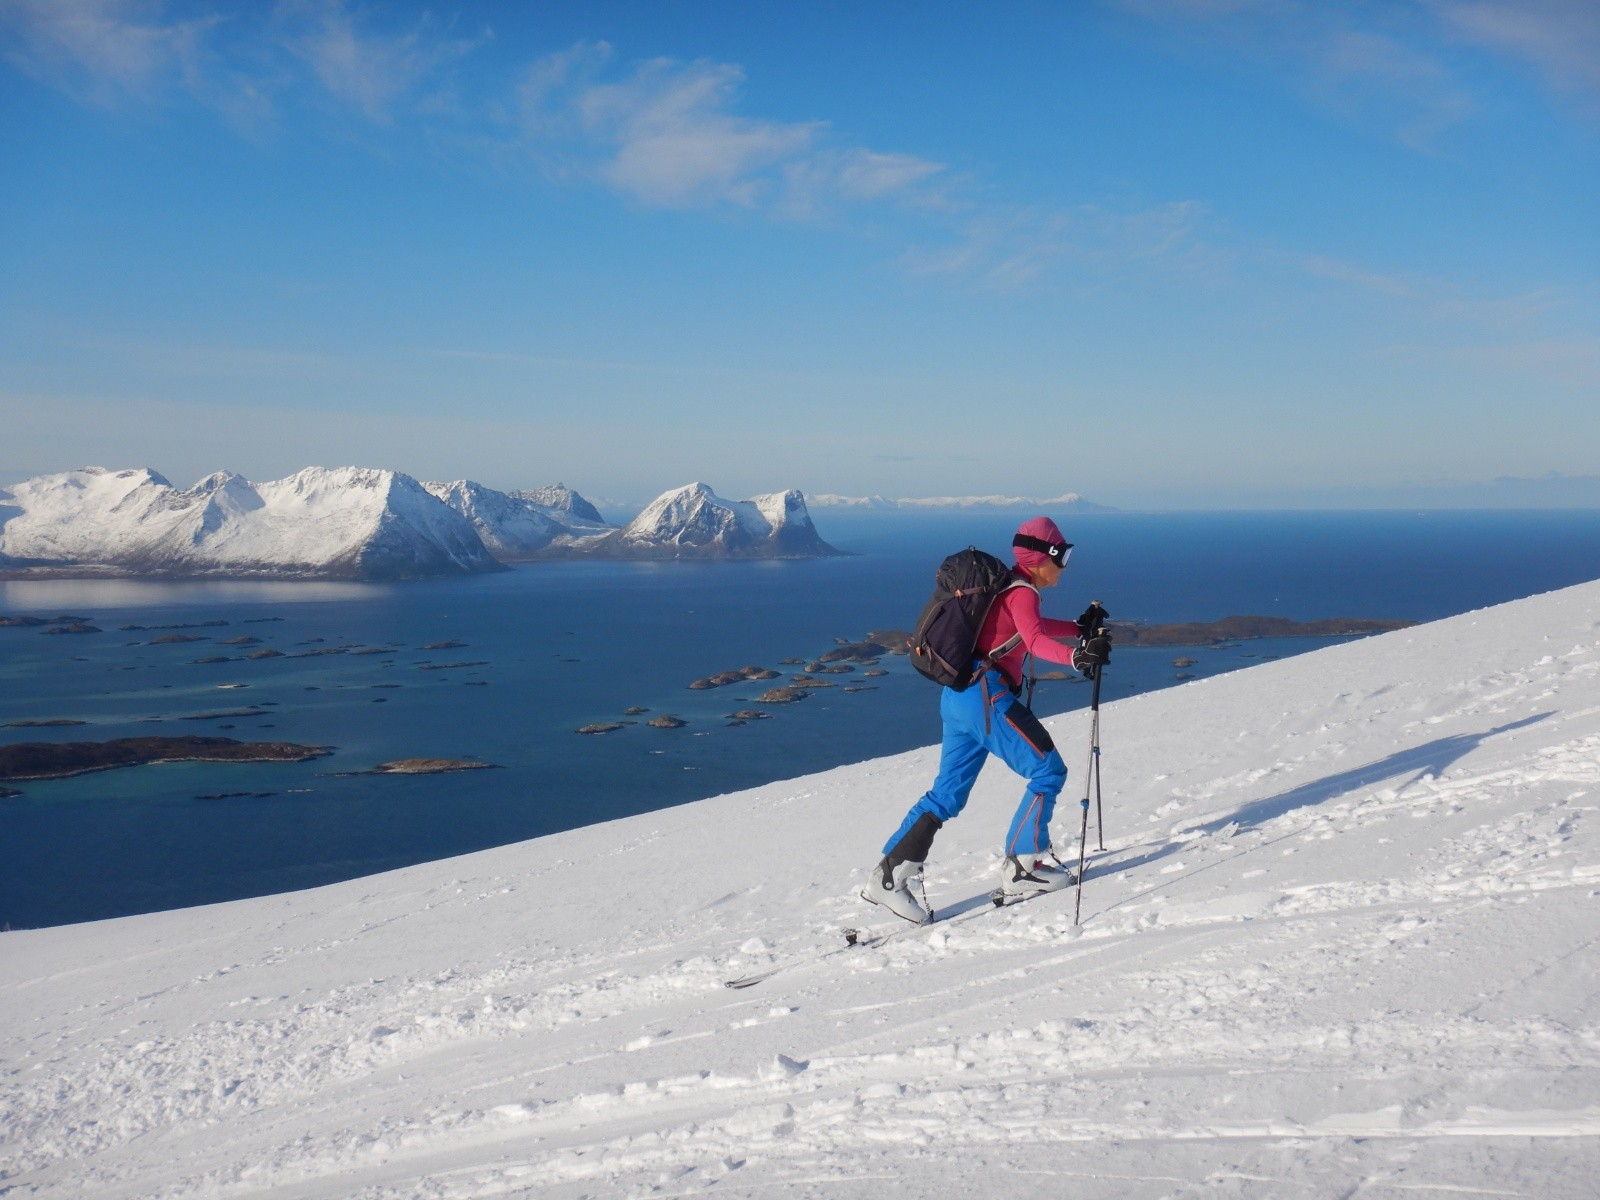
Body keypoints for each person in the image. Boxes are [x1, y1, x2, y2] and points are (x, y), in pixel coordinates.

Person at [864, 516, 1111, 924]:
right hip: (986, 697)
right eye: (1062, 556)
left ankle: (889, 877)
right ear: (1042, 558)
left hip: (959, 696)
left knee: (946, 794)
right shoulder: (1023, 593)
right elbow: (1034, 640)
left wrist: (1077, 629)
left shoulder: (1009, 588)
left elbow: (1026, 629)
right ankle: (1023, 868)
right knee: (1048, 771)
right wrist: (1076, 656)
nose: (1065, 565)